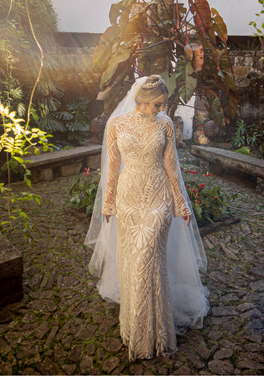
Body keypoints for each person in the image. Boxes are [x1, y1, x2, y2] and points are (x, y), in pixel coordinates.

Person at [85, 75, 209, 361]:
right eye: (156, 104)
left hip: (158, 200)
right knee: (132, 262)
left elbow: (172, 166)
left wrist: (181, 204)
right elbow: (113, 167)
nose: (159, 109)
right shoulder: (117, 124)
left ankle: (157, 333)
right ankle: (135, 328)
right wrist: (108, 203)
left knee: (148, 258)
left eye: (162, 104)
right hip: (128, 201)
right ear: (141, 100)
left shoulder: (164, 123)